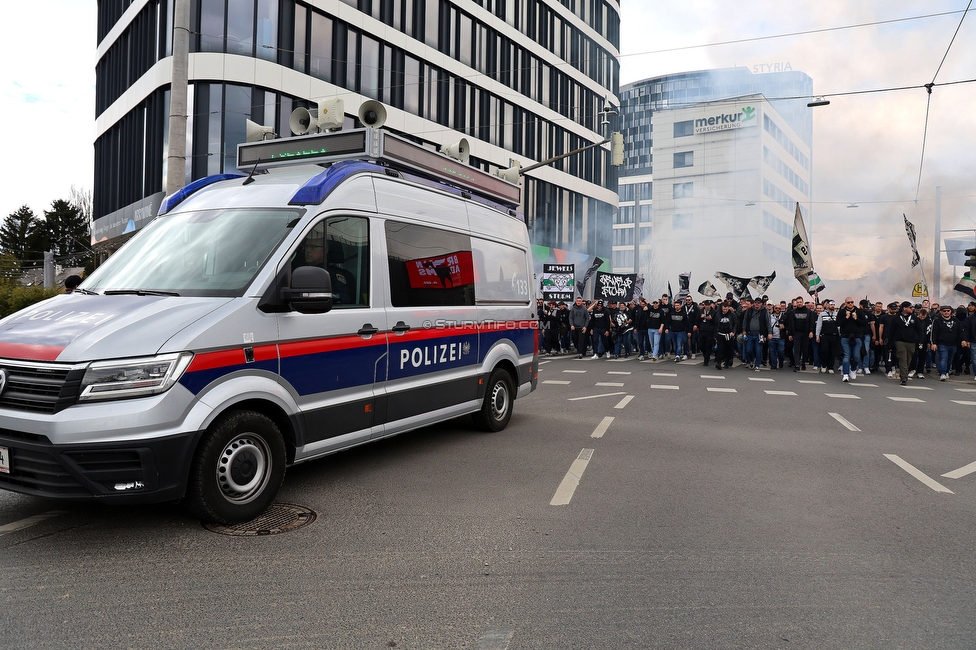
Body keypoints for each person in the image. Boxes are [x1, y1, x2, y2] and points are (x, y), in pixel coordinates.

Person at [889, 301, 924, 386]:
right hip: (900, 341)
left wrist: (921, 340)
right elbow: (891, 331)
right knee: (902, 359)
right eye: (910, 307)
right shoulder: (896, 318)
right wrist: (890, 343)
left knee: (908, 360)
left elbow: (919, 330)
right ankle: (904, 378)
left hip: (911, 342)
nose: (912, 309)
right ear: (904, 308)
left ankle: (903, 373)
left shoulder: (914, 318)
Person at [930, 305, 962, 381]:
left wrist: (963, 340)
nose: (946, 312)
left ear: (951, 311)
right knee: (944, 358)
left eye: (948, 311)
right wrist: (933, 343)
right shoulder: (937, 321)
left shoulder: (956, 321)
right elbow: (933, 333)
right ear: (941, 312)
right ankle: (943, 373)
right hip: (942, 343)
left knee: (950, 359)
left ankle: (947, 371)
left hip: (953, 343)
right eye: (944, 311)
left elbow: (960, 332)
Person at [838, 297, 866, 381]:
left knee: (856, 356)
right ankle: (846, 374)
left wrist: (856, 318)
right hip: (845, 337)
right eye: (848, 302)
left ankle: (853, 369)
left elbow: (864, 323)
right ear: (845, 303)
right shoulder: (842, 312)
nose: (850, 304)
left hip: (857, 337)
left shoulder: (859, 311)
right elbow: (838, 323)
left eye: (852, 302)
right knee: (847, 355)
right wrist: (846, 318)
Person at [740, 297, 770, 371]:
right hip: (749, 334)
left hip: (759, 334)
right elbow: (745, 321)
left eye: (758, 303)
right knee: (748, 350)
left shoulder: (764, 311)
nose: (757, 304)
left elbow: (768, 323)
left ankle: (757, 364)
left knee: (758, 350)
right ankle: (751, 360)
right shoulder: (749, 310)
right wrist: (744, 330)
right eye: (755, 302)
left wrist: (769, 333)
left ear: (761, 304)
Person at [786, 296, 814, 371]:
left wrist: (811, 331)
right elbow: (790, 324)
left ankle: (803, 363)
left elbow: (811, 323)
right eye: (797, 302)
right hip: (796, 333)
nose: (799, 303)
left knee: (805, 350)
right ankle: (797, 365)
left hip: (805, 333)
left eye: (800, 302)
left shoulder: (809, 312)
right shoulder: (793, 312)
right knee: (797, 349)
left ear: (803, 302)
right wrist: (790, 334)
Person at [816, 299, 841, 374]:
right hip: (824, 335)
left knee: (832, 352)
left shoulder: (837, 314)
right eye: (831, 304)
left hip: (834, 336)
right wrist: (817, 336)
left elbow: (838, 326)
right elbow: (819, 325)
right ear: (827, 305)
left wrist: (839, 335)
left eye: (833, 304)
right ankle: (823, 365)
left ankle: (830, 367)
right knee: (824, 351)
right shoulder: (822, 314)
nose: (832, 306)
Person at [714, 301, 738, 369]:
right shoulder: (718, 314)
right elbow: (716, 325)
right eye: (724, 309)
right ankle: (719, 363)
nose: (725, 310)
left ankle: (727, 362)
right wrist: (715, 335)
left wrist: (733, 332)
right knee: (720, 349)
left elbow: (735, 324)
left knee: (728, 349)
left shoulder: (732, 315)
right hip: (720, 334)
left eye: (726, 309)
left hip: (728, 334)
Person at [768, 302, 786, 369]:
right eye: (776, 308)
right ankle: (774, 365)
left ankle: (781, 361)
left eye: (779, 308)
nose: (777, 309)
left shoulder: (784, 317)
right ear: (774, 309)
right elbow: (767, 326)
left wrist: (784, 326)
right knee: (772, 351)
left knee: (781, 351)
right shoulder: (770, 317)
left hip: (780, 337)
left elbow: (788, 326)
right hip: (772, 337)